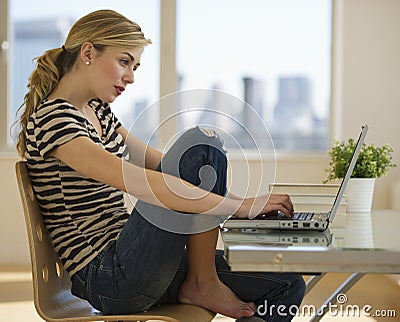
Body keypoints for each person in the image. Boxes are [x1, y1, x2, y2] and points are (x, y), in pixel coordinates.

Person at [16, 9, 305, 321]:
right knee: (201, 144)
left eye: (135, 66)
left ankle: (202, 281)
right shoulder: (53, 118)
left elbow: (167, 168)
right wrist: (240, 207)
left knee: (286, 284)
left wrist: (247, 203)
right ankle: (202, 282)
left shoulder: (98, 113)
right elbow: (144, 183)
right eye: (124, 61)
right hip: (109, 275)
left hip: (138, 260)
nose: (131, 77)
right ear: (88, 52)